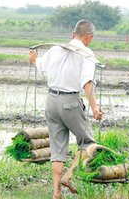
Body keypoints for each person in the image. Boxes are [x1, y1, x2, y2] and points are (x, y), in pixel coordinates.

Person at [29, 19, 102, 199]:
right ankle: (69, 176)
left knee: (58, 149)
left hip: (51, 101)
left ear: (72, 34)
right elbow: (87, 83)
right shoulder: (87, 54)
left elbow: (38, 64)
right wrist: (94, 107)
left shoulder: (55, 50)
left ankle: (56, 193)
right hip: (70, 101)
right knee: (88, 142)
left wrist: (33, 58)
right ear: (89, 37)